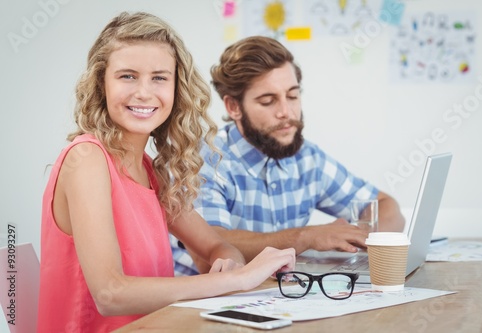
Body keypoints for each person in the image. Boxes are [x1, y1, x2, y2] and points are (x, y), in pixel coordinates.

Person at [37, 13, 295, 332]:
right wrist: (237, 279)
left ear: (176, 88)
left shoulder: (148, 169)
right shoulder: (87, 158)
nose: (144, 92)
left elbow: (216, 246)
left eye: (159, 77)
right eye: (127, 76)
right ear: (101, 84)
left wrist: (230, 263)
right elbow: (110, 294)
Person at [171, 36, 405, 276]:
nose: (286, 112)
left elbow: (387, 208)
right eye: (268, 101)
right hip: (197, 303)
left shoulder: (307, 158)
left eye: (292, 96)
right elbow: (209, 247)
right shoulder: (205, 161)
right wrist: (306, 237)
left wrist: (358, 239)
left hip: (274, 296)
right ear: (233, 107)